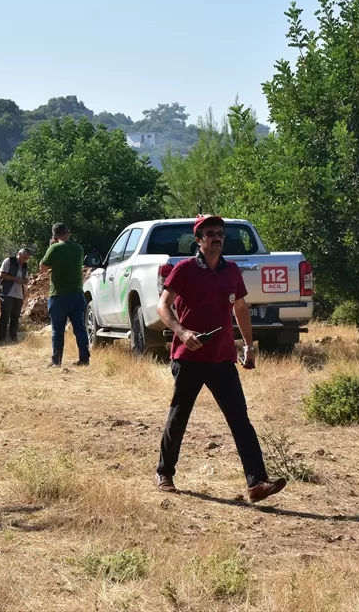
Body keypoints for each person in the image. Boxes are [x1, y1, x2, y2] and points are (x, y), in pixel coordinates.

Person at [153, 215, 286, 503]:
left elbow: (240, 307)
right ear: (198, 240)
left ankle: (257, 482)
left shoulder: (232, 271)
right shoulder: (185, 269)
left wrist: (249, 345)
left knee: (240, 419)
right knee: (179, 415)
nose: (217, 238)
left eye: (220, 234)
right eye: (210, 233)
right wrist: (181, 330)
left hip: (222, 357)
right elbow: (162, 305)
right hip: (189, 355)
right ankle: (164, 473)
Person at [38, 223, 90, 367]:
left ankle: (57, 361)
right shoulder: (79, 248)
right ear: (68, 232)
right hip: (77, 294)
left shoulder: (54, 248)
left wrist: (50, 246)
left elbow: (42, 268)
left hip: (59, 295)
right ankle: (84, 359)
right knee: (80, 328)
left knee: (57, 330)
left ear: (54, 236)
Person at [0, 247, 32, 342]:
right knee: (5, 315)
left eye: (27, 258)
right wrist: (16, 279)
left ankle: (13, 338)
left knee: (15, 317)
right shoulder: (9, 261)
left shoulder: (25, 265)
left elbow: (26, 278)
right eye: (24, 257)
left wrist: (25, 281)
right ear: (19, 254)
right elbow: (1, 274)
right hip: (7, 292)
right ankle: (1, 339)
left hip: (19, 294)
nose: (25, 260)